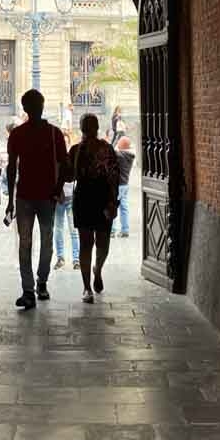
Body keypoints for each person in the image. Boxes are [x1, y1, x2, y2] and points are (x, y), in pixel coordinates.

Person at [5, 89, 67, 310]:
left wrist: (10, 200)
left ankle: (29, 289)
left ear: (25, 109)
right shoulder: (54, 133)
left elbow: (12, 168)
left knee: (25, 243)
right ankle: (40, 283)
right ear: (41, 106)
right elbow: (65, 164)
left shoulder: (18, 134)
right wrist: (57, 189)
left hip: (25, 196)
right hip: (44, 196)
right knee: (46, 241)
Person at [65, 113, 120, 304]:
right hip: (88, 199)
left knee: (99, 242)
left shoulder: (106, 148)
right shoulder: (76, 150)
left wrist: (113, 201)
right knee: (90, 242)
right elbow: (70, 177)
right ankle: (87, 286)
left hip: (98, 199)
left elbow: (114, 176)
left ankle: (97, 270)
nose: (88, 130)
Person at [53, 130, 80, 271]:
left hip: (72, 198)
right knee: (58, 229)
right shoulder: (55, 159)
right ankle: (60, 258)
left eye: (66, 141)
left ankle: (76, 259)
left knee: (73, 229)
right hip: (59, 199)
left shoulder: (73, 156)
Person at [113, 135, 136, 238]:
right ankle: (125, 229)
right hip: (125, 184)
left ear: (121, 145)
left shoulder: (121, 156)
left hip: (117, 185)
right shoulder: (129, 156)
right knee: (124, 207)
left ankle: (112, 230)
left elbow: (111, 151)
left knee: (113, 206)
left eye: (119, 142)